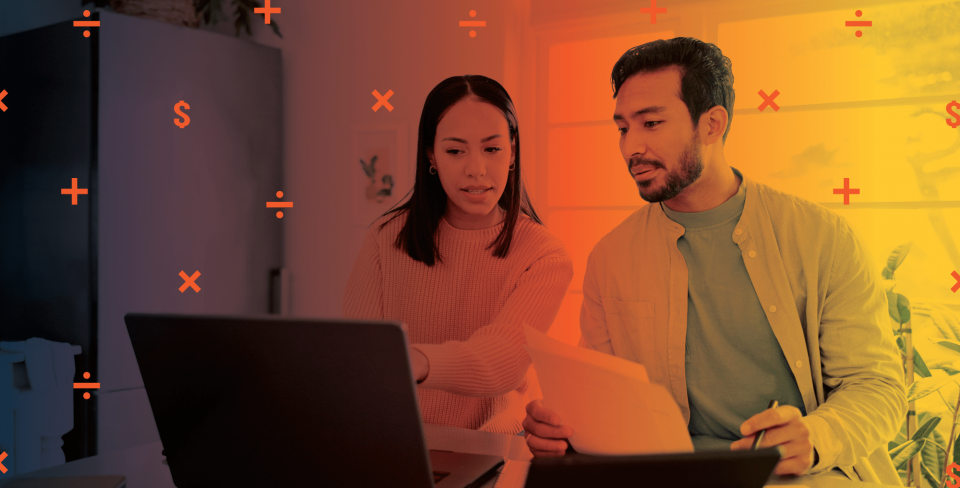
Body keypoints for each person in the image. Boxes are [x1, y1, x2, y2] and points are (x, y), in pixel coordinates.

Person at [521, 38, 906, 484]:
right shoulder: (611, 256)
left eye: (651, 123)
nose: (631, 147)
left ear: (712, 124)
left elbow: (877, 385)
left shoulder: (822, 237)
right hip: (665, 474)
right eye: (624, 128)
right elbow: (603, 401)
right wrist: (562, 430)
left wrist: (816, 435)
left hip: (798, 475)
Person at [343, 75, 574, 435]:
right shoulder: (384, 238)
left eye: (492, 149)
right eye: (455, 150)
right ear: (431, 155)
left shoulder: (544, 255)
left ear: (512, 151)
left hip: (493, 450)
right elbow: (359, 360)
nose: (477, 169)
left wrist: (412, 360)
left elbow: (503, 361)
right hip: (394, 443)